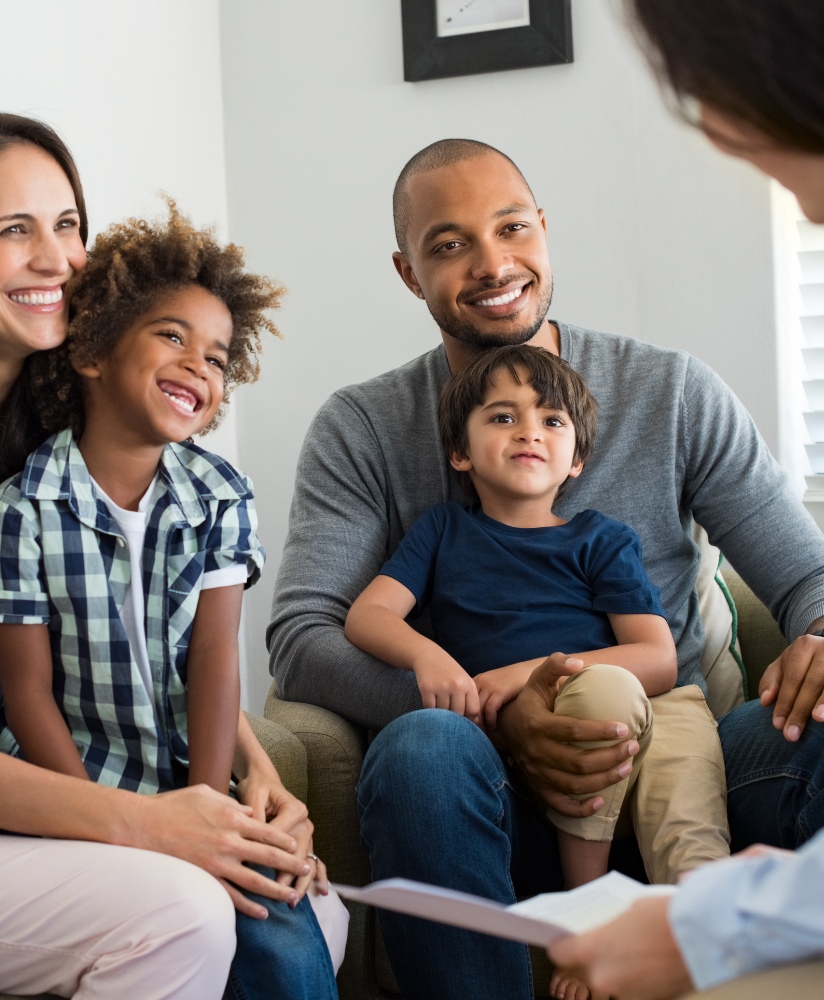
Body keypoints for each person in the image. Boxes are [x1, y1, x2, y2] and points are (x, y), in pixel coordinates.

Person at [268, 134, 824, 999]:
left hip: (679, 759)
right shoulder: (364, 428)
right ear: (409, 272)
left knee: (814, 722)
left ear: (543, 231)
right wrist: (497, 713)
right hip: (480, 793)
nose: (494, 265)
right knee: (423, 750)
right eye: (449, 245)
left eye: (512, 228)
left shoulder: (671, 392)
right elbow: (304, 637)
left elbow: (805, 580)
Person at [0, 112, 324, 999]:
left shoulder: (48, 436)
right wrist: (148, 825)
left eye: (67, 226)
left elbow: (144, 637)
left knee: (306, 910)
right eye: (15, 230)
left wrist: (255, 775)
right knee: (182, 912)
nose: (56, 258)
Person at [0, 209, 347, 995]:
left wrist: (210, 812)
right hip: (66, 789)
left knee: (277, 913)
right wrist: (96, 823)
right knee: (243, 918)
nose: (197, 366)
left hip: (190, 782)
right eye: (172, 337)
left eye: (216, 356)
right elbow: (27, 694)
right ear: (91, 350)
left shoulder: (219, 497)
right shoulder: (22, 509)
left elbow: (214, 662)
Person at [542, 2, 824, 997]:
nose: (703, 124)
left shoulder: (664, 396)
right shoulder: (397, 462)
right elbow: (326, 630)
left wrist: (723, 918)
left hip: (676, 712)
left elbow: (798, 575)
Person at [345, 344, 729, 1000]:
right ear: (459, 453)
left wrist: (523, 674)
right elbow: (368, 616)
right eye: (502, 417)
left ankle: (666, 943)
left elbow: (656, 657)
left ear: (576, 459)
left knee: (627, 726)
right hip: (513, 773)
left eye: (552, 421)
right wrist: (428, 656)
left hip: (628, 720)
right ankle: (588, 925)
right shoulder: (441, 531)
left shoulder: (599, 538)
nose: (529, 430)